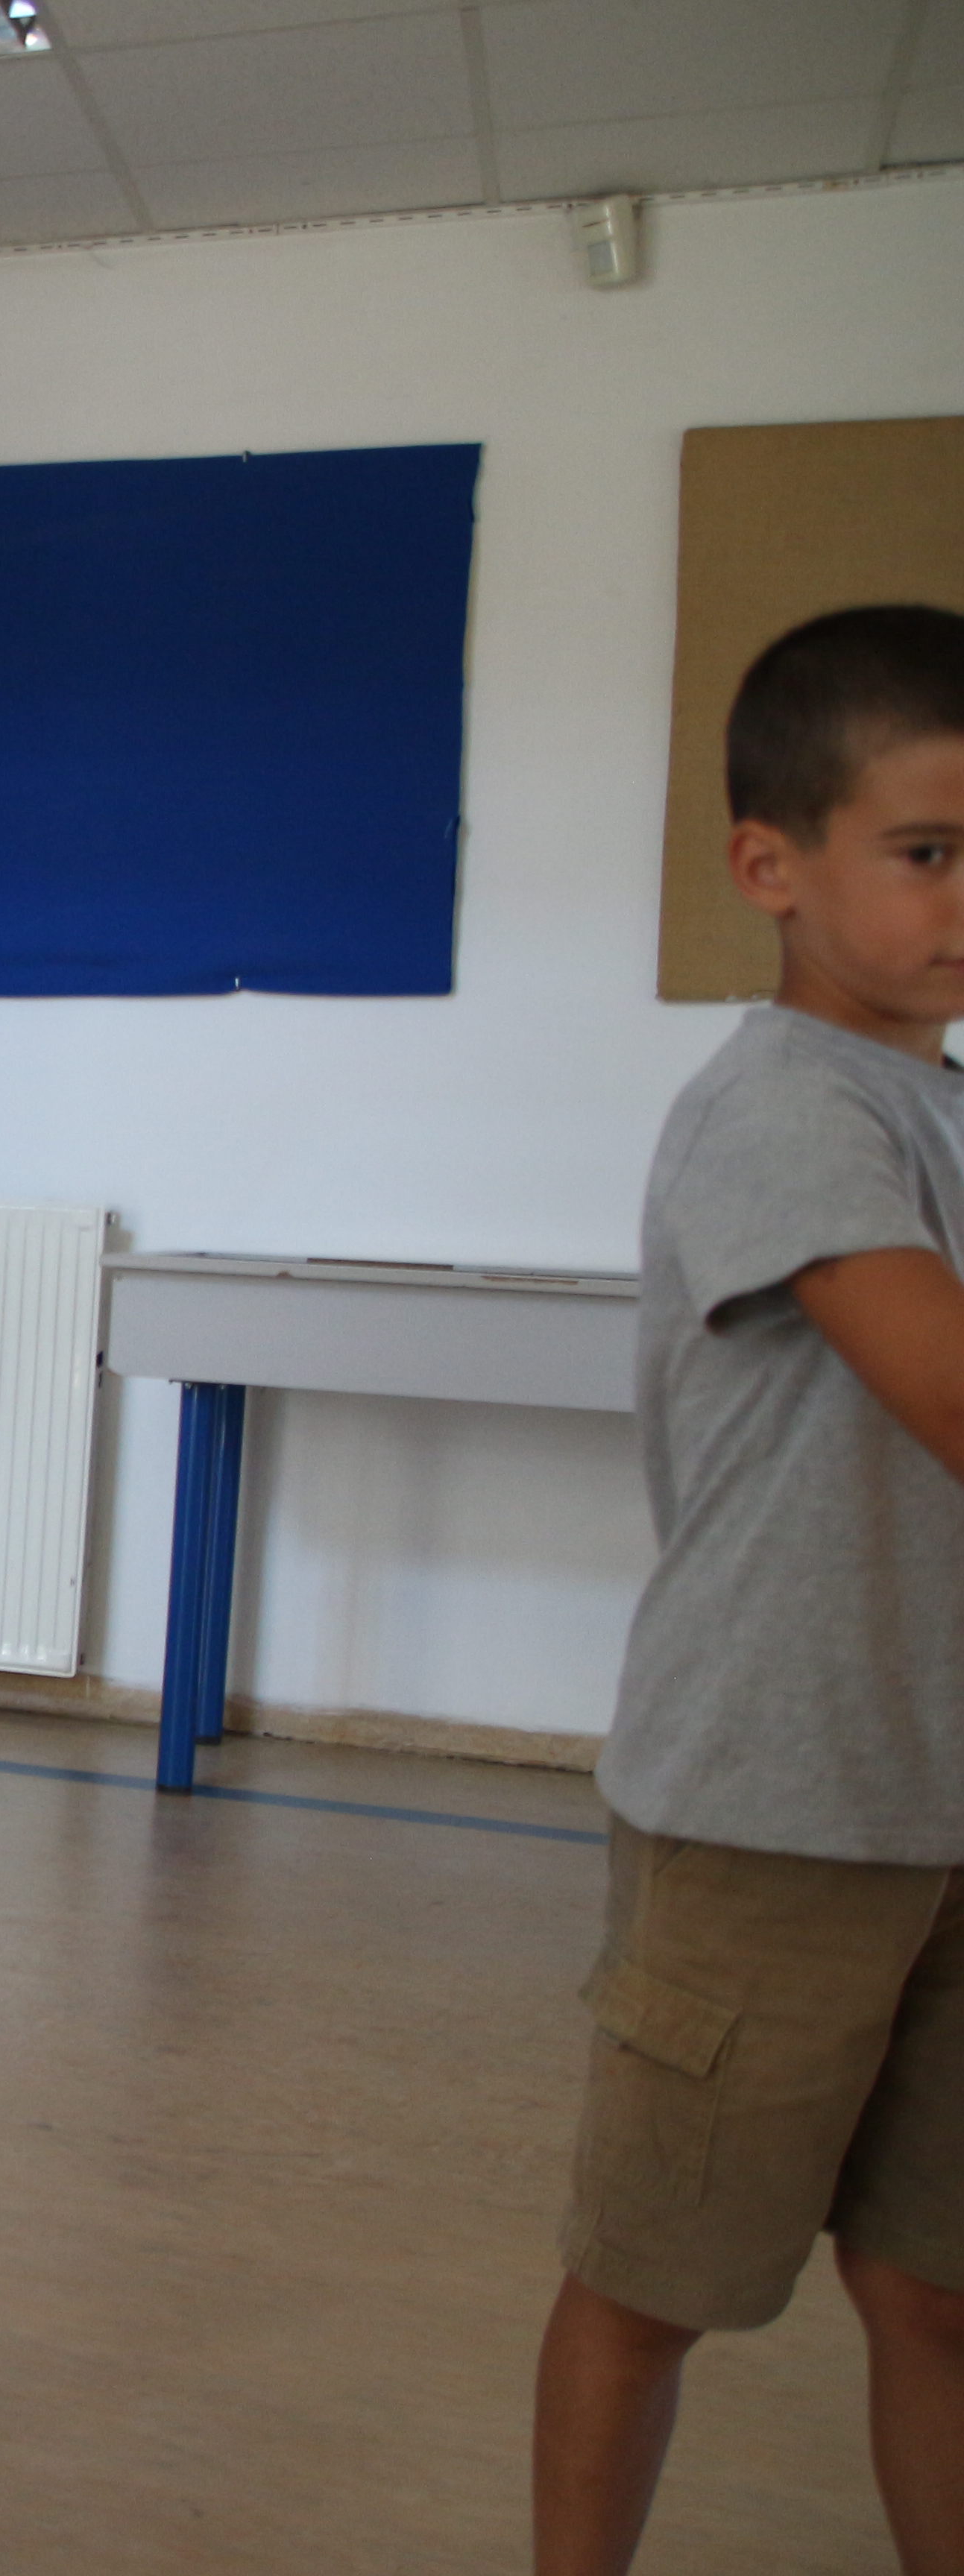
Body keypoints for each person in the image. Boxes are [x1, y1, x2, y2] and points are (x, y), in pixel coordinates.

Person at [530, 604, 964, 2576]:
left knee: (937, 2290)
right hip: (776, 1811)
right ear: (769, 866)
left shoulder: (941, 1104)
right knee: (653, 2288)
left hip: (946, 1807)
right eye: (927, 849)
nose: (963, 896)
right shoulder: (787, 1105)